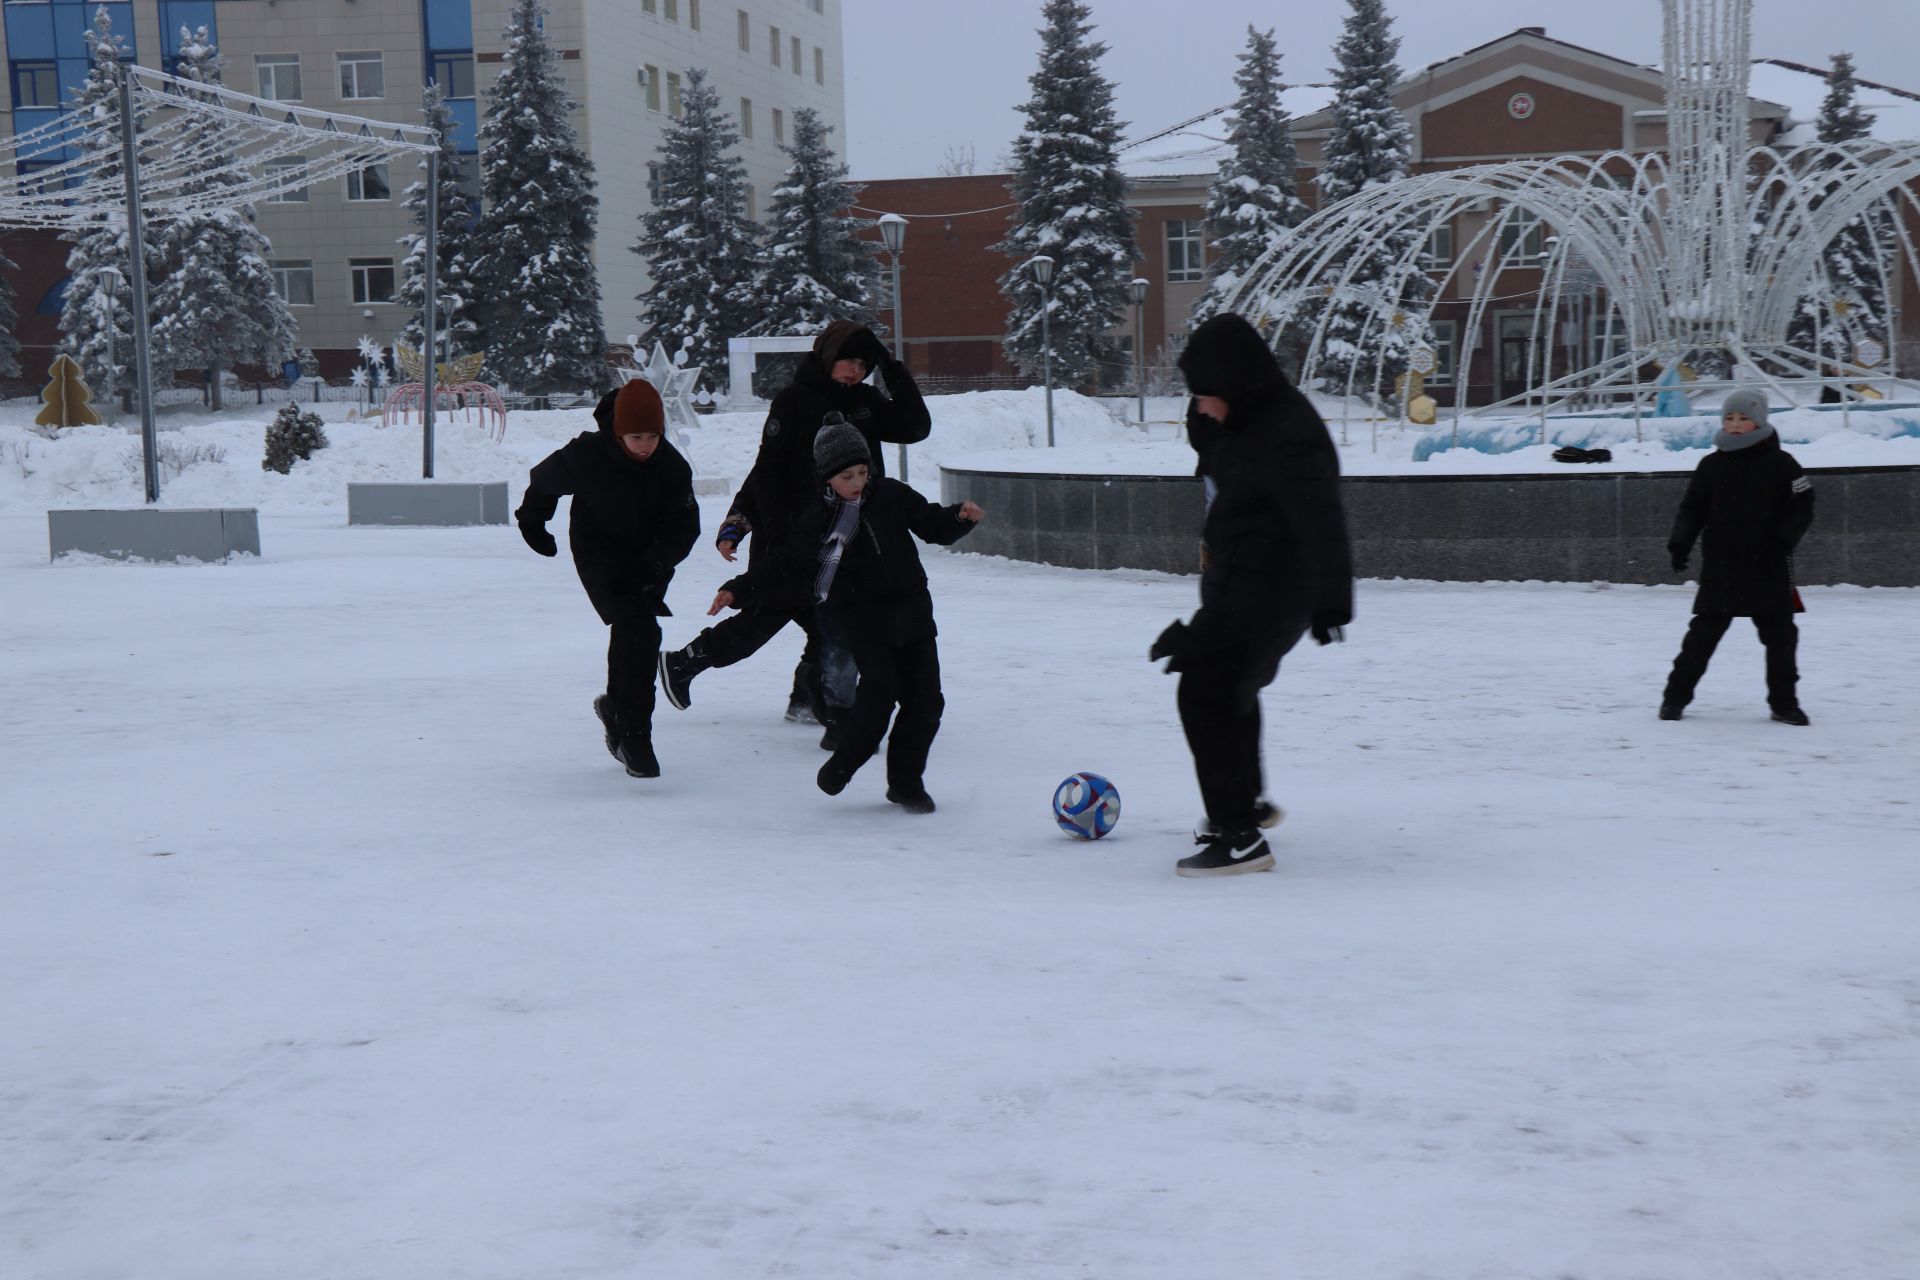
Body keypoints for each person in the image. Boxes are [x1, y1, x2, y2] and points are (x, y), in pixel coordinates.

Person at [1150, 313, 1353, 878]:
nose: (1202, 408)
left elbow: (1321, 514)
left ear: (1232, 382)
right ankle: (1245, 808)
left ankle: (1238, 834)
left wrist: (1332, 600)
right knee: (1231, 690)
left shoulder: (1287, 430)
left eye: (1205, 396)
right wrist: (1203, 404)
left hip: (1272, 585)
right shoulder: (1244, 419)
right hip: (1243, 580)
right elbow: (1209, 445)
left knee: (1205, 689)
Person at [658, 321, 932, 737]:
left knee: (835, 623)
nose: (855, 370)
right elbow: (767, 471)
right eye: (848, 360)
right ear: (827, 356)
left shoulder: (866, 402)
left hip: (844, 537)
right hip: (792, 537)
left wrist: (890, 366)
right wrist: (753, 526)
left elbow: (915, 428)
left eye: (863, 362)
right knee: (765, 618)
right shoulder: (794, 401)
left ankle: (808, 698)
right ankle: (684, 662)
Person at [707, 421, 982, 813]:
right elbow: (784, 563)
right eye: (846, 476)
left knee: (926, 704)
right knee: (877, 701)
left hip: (915, 617)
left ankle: (905, 785)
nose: (857, 482)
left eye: (862, 472)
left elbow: (930, 523)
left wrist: (959, 519)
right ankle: (844, 763)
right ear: (827, 478)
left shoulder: (891, 494)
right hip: (867, 626)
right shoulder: (818, 519)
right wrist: (738, 588)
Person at [515, 378, 700, 778]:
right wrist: (533, 523)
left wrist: (657, 563)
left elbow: (685, 527)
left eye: (653, 435)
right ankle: (635, 736)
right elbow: (543, 482)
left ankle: (619, 712)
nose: (645, 445)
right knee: (640, 628)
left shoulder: (671, 467)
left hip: (648, 559)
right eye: (636, 437)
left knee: (637, 631)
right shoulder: (588, 454)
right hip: (599, 552)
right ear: (618, 432)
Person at [1660, 389, 1815, 724]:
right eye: (1729, 418)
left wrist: (1784, 539)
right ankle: (1674, 699)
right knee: (1701, 636)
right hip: (1722, 566)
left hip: (1768, 565)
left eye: (1744, 418)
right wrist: (1680, 544)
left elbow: (1803, 505)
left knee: (1781, 638)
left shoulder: (1782, 464)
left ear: (1759, 422)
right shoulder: (1711, 465)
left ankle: (1784, 704)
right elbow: (1692, 509)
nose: (1735, 424)